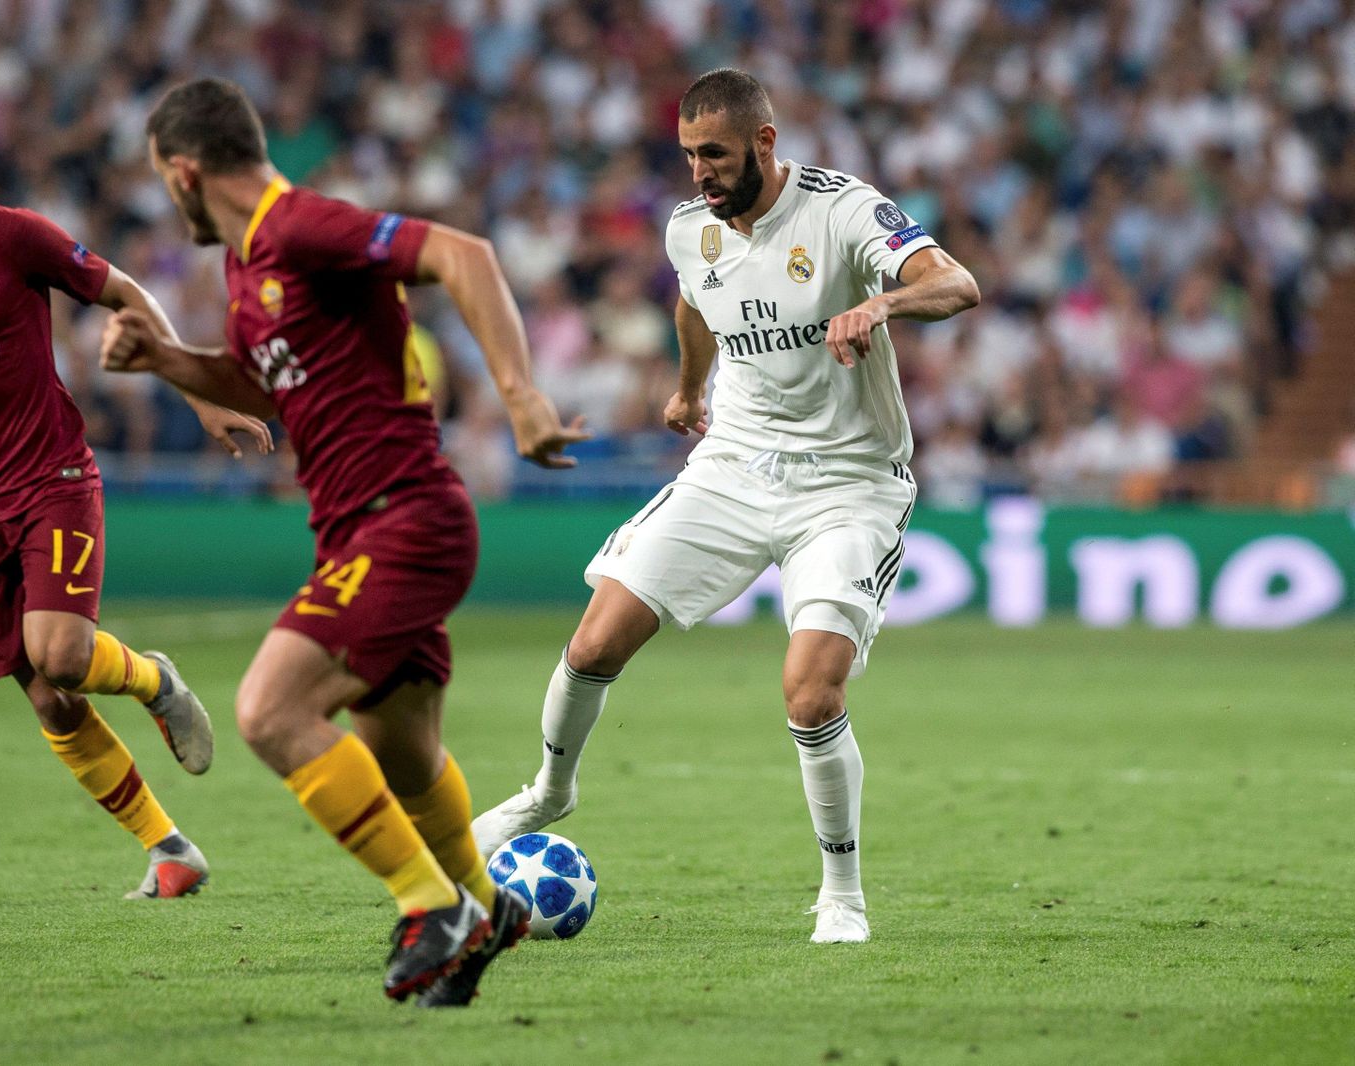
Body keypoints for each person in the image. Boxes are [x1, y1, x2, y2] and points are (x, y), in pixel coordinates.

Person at [99, 78, 589, 1004]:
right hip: (359, 531)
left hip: (402, 518)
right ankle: (484, 909)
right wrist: (167, 361)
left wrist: (521, 397)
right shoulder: (247, 269)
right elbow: (271, 388)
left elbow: (463, 254)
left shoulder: (299, 226)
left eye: (166, 185)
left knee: (270, 712)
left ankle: (431, 904)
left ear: (184, 172)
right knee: (400, 753)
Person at [472, 68, 981, 944]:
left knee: (810, 694)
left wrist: (882, 302)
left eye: (714, 154)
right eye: (688, 156)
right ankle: (548, 792)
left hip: (847, 484)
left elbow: (958, 283)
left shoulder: (844, 211)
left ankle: (842, 897)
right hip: (734, 466)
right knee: (596, 639)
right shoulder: (687, 231)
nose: (700, 172)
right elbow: (693, 303)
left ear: (764, 143)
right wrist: (687, 390)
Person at [0, 90, 274, 900]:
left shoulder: (11, 236)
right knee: (53, 702)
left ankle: (155, 682)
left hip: (50, 478)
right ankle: (169, 848)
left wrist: (202, 394)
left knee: (64, 653)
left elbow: (126, 294)